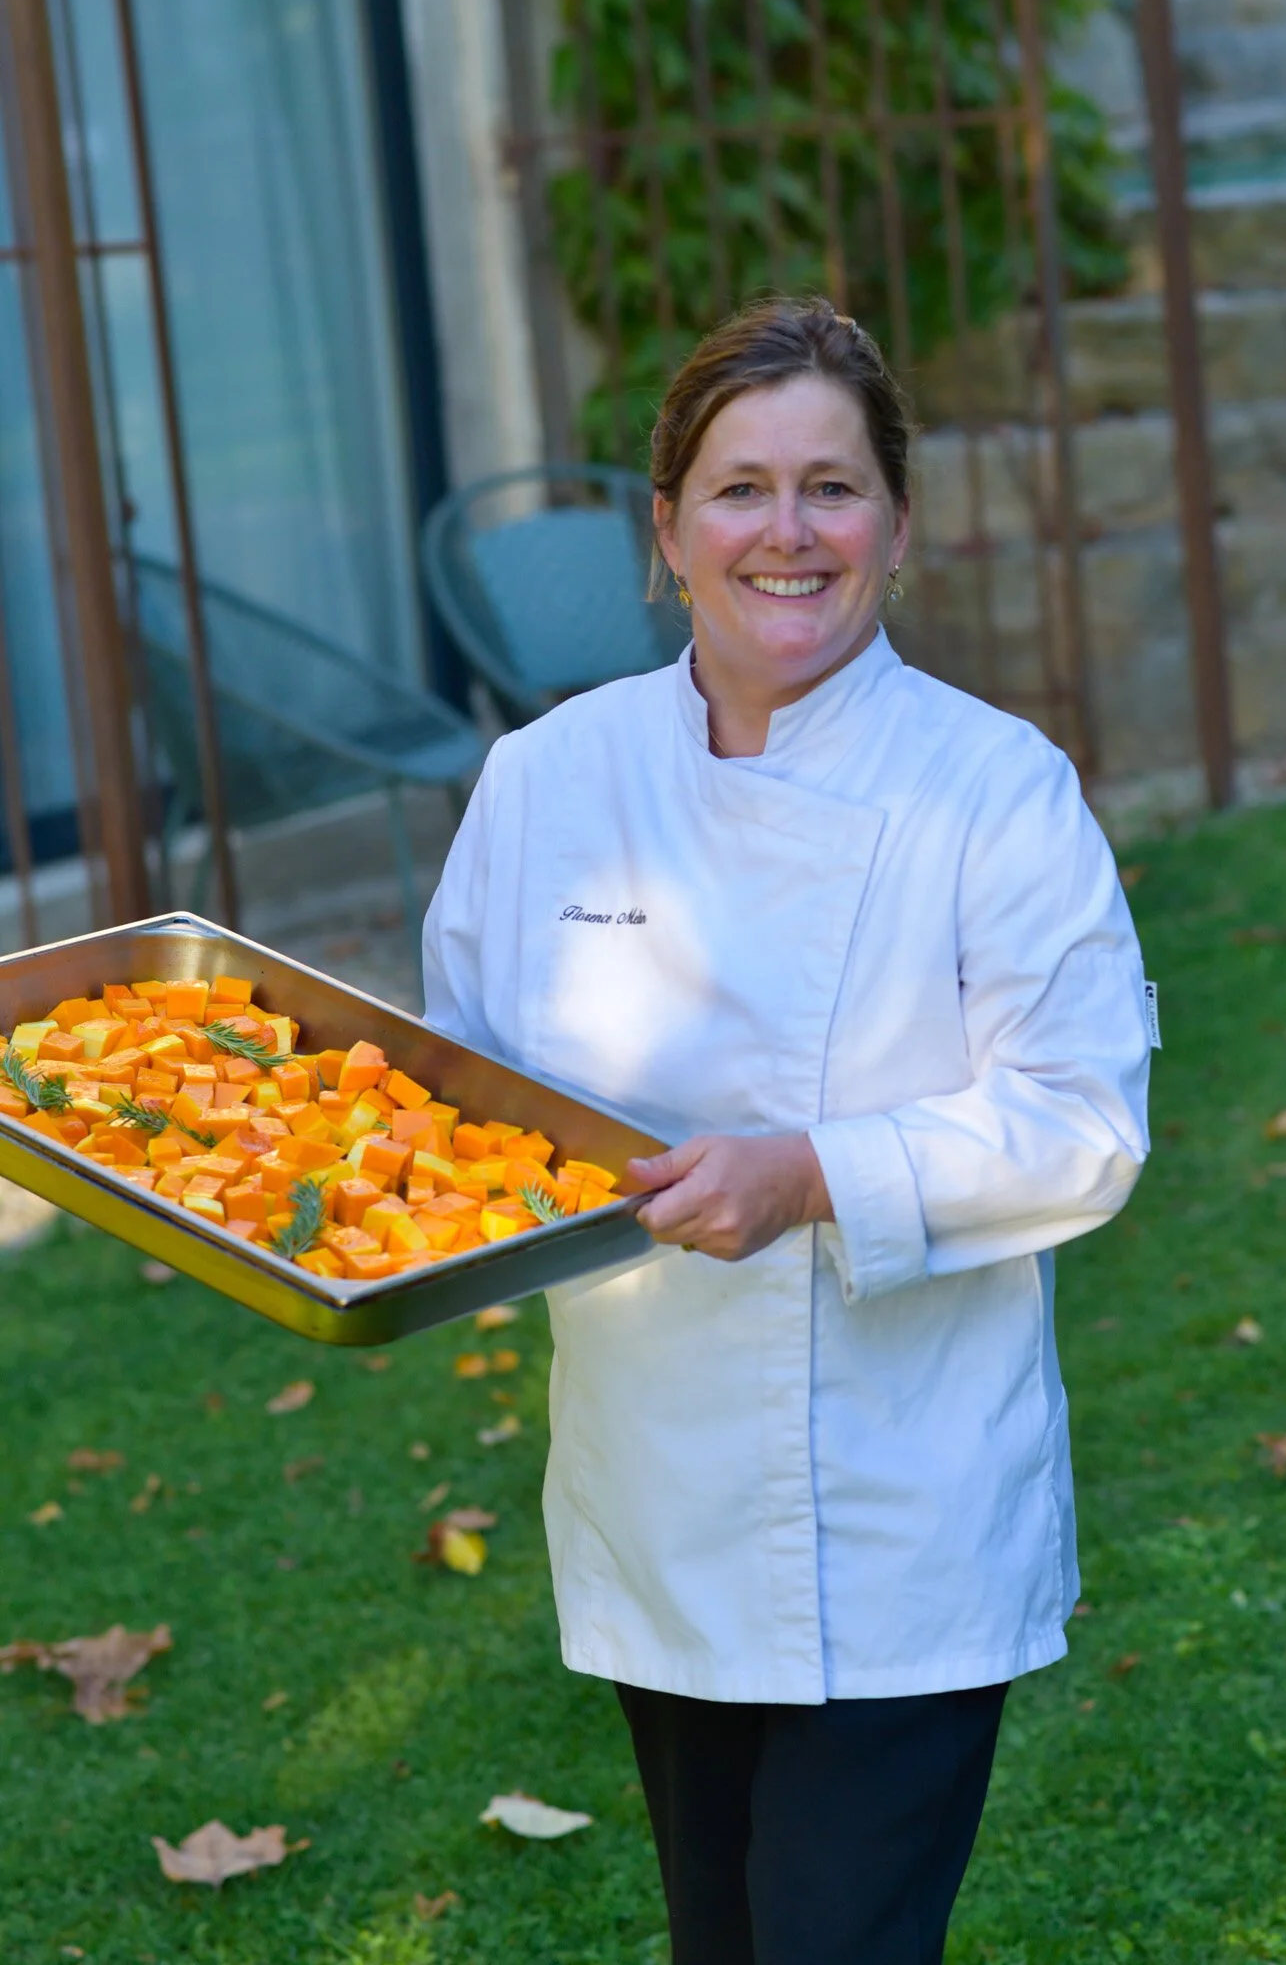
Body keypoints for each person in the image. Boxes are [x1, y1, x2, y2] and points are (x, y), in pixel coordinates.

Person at [423, 296, 1152, 1965]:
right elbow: (460, 1095)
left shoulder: (995, 788)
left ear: (897, 524)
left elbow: (1082, 1121)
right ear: (666, 529)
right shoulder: (546, 781)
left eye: (833, 487)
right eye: (740, 489)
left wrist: (813, 1175)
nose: (789, 531)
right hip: (658, 1487)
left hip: (905, 1502)